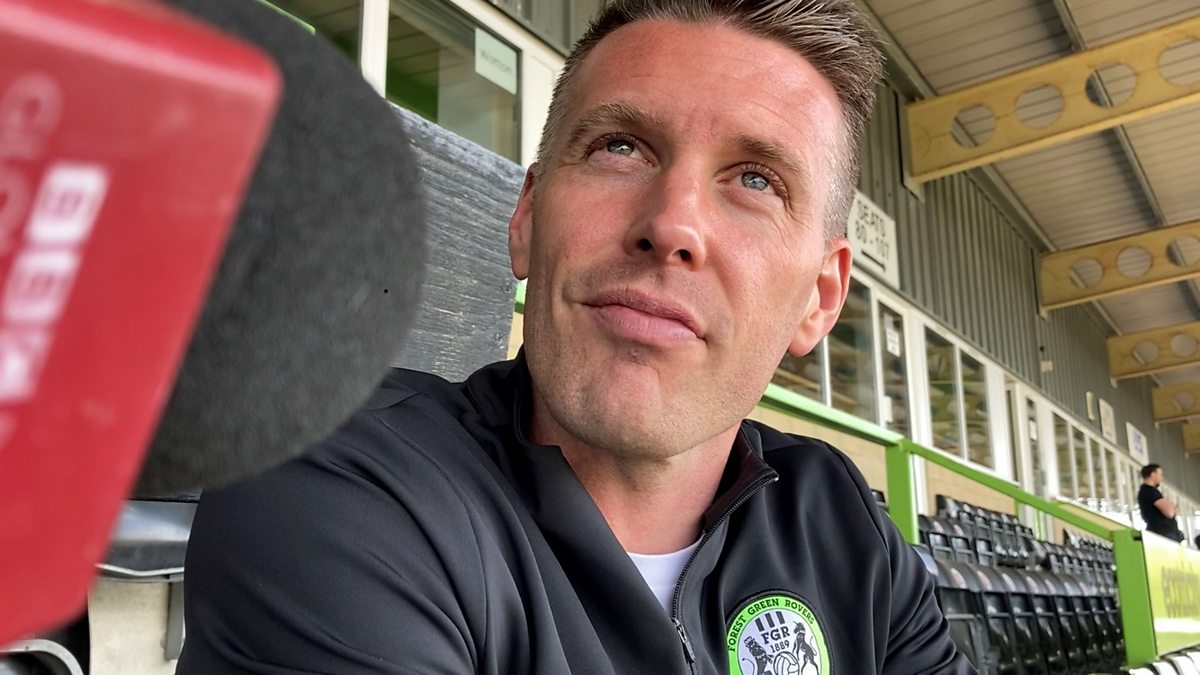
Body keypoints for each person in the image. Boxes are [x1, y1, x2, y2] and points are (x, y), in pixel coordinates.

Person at [177, 1, 973, 673]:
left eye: (756, 180)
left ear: (821, 297)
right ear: (527, 218)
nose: (672, 224)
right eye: (620, 147)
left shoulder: (841, 526)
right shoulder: (339, 486)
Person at [1138, 463, 1185, 543]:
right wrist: (1172, 507)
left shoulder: (1147, 491)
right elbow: (1169, 513)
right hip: (1164, 534)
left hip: (1160, 533)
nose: (1161, 478)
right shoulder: (1149, 491)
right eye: (1160, 474)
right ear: (1153, 474)